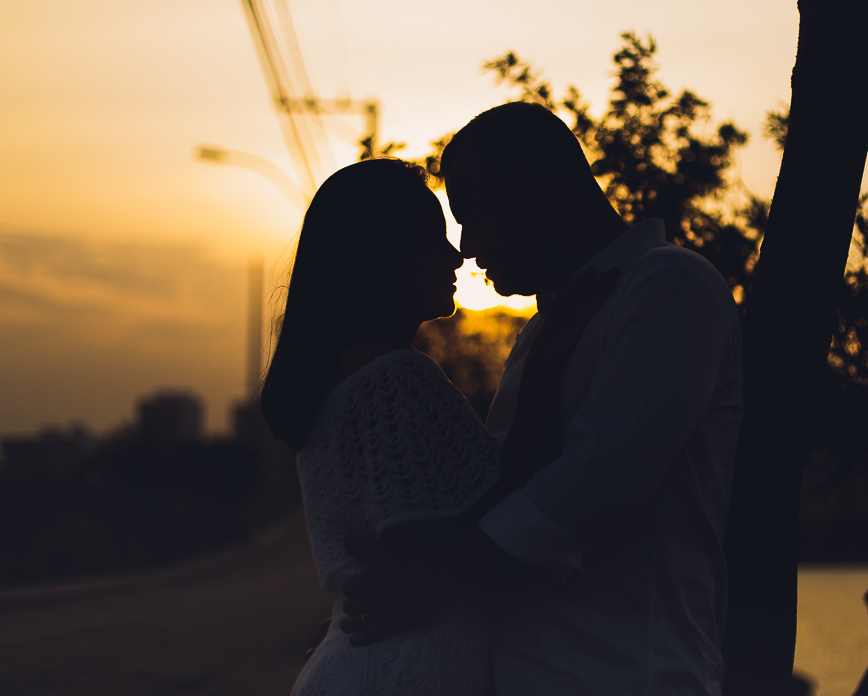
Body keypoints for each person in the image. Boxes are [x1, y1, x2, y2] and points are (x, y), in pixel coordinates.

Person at [341, 102, 744, 695]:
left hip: (628, 673)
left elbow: (599, 482)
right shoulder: (548, 324)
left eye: (476, 216)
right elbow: (512, 477)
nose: (467, 249)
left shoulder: (670, 286)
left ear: (542, 189)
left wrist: (434, 572)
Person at [260, 159, 617, 696]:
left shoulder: (347, 381)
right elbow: (505, 513)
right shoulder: (394, 379)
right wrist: (555, 348)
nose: (455, 255)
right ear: (380, 257)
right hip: (400, 673)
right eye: (432, 239)